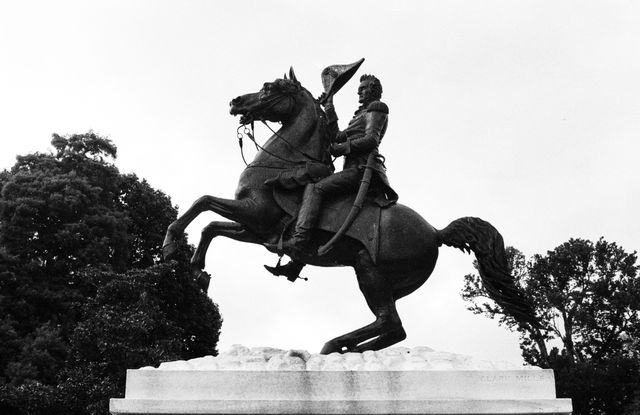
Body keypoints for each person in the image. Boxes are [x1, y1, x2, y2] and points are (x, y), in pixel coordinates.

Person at [265, 74, 397, 281]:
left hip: (362, 170)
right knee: (321, 204)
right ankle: (296, 264)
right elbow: (337, 136)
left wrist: (343, 148)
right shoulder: (359, 115)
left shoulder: (377, 108)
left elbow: (371, 139)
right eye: (359, 88)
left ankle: (299, 240)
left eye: (363, 88)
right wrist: (329, 106)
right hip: (352, 169)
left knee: (316, 189)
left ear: (373, 90)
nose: (358, 91)